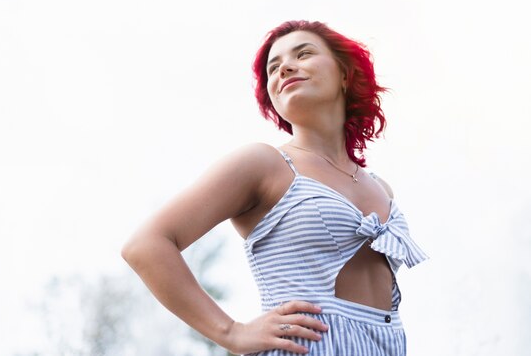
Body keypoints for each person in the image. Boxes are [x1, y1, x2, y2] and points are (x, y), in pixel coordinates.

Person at [122, 20, 428, 355]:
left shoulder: (382, 188)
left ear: (344, 74)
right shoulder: (265, 165)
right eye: (274, 66)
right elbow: (146, 245)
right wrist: (231, 332)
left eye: (304, 53)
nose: (285, 67)